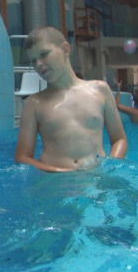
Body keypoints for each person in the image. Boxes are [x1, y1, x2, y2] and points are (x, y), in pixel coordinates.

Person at [15, 26, 128, 172]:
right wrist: (59, 172)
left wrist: (111, 167)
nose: (39, 64)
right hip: (56, 180)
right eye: (33, 61)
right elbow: (22, 157)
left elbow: (119, 139)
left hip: (97, 177)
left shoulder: (100, 90)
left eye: (44, 54)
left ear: (65, 49)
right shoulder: (34, 104)